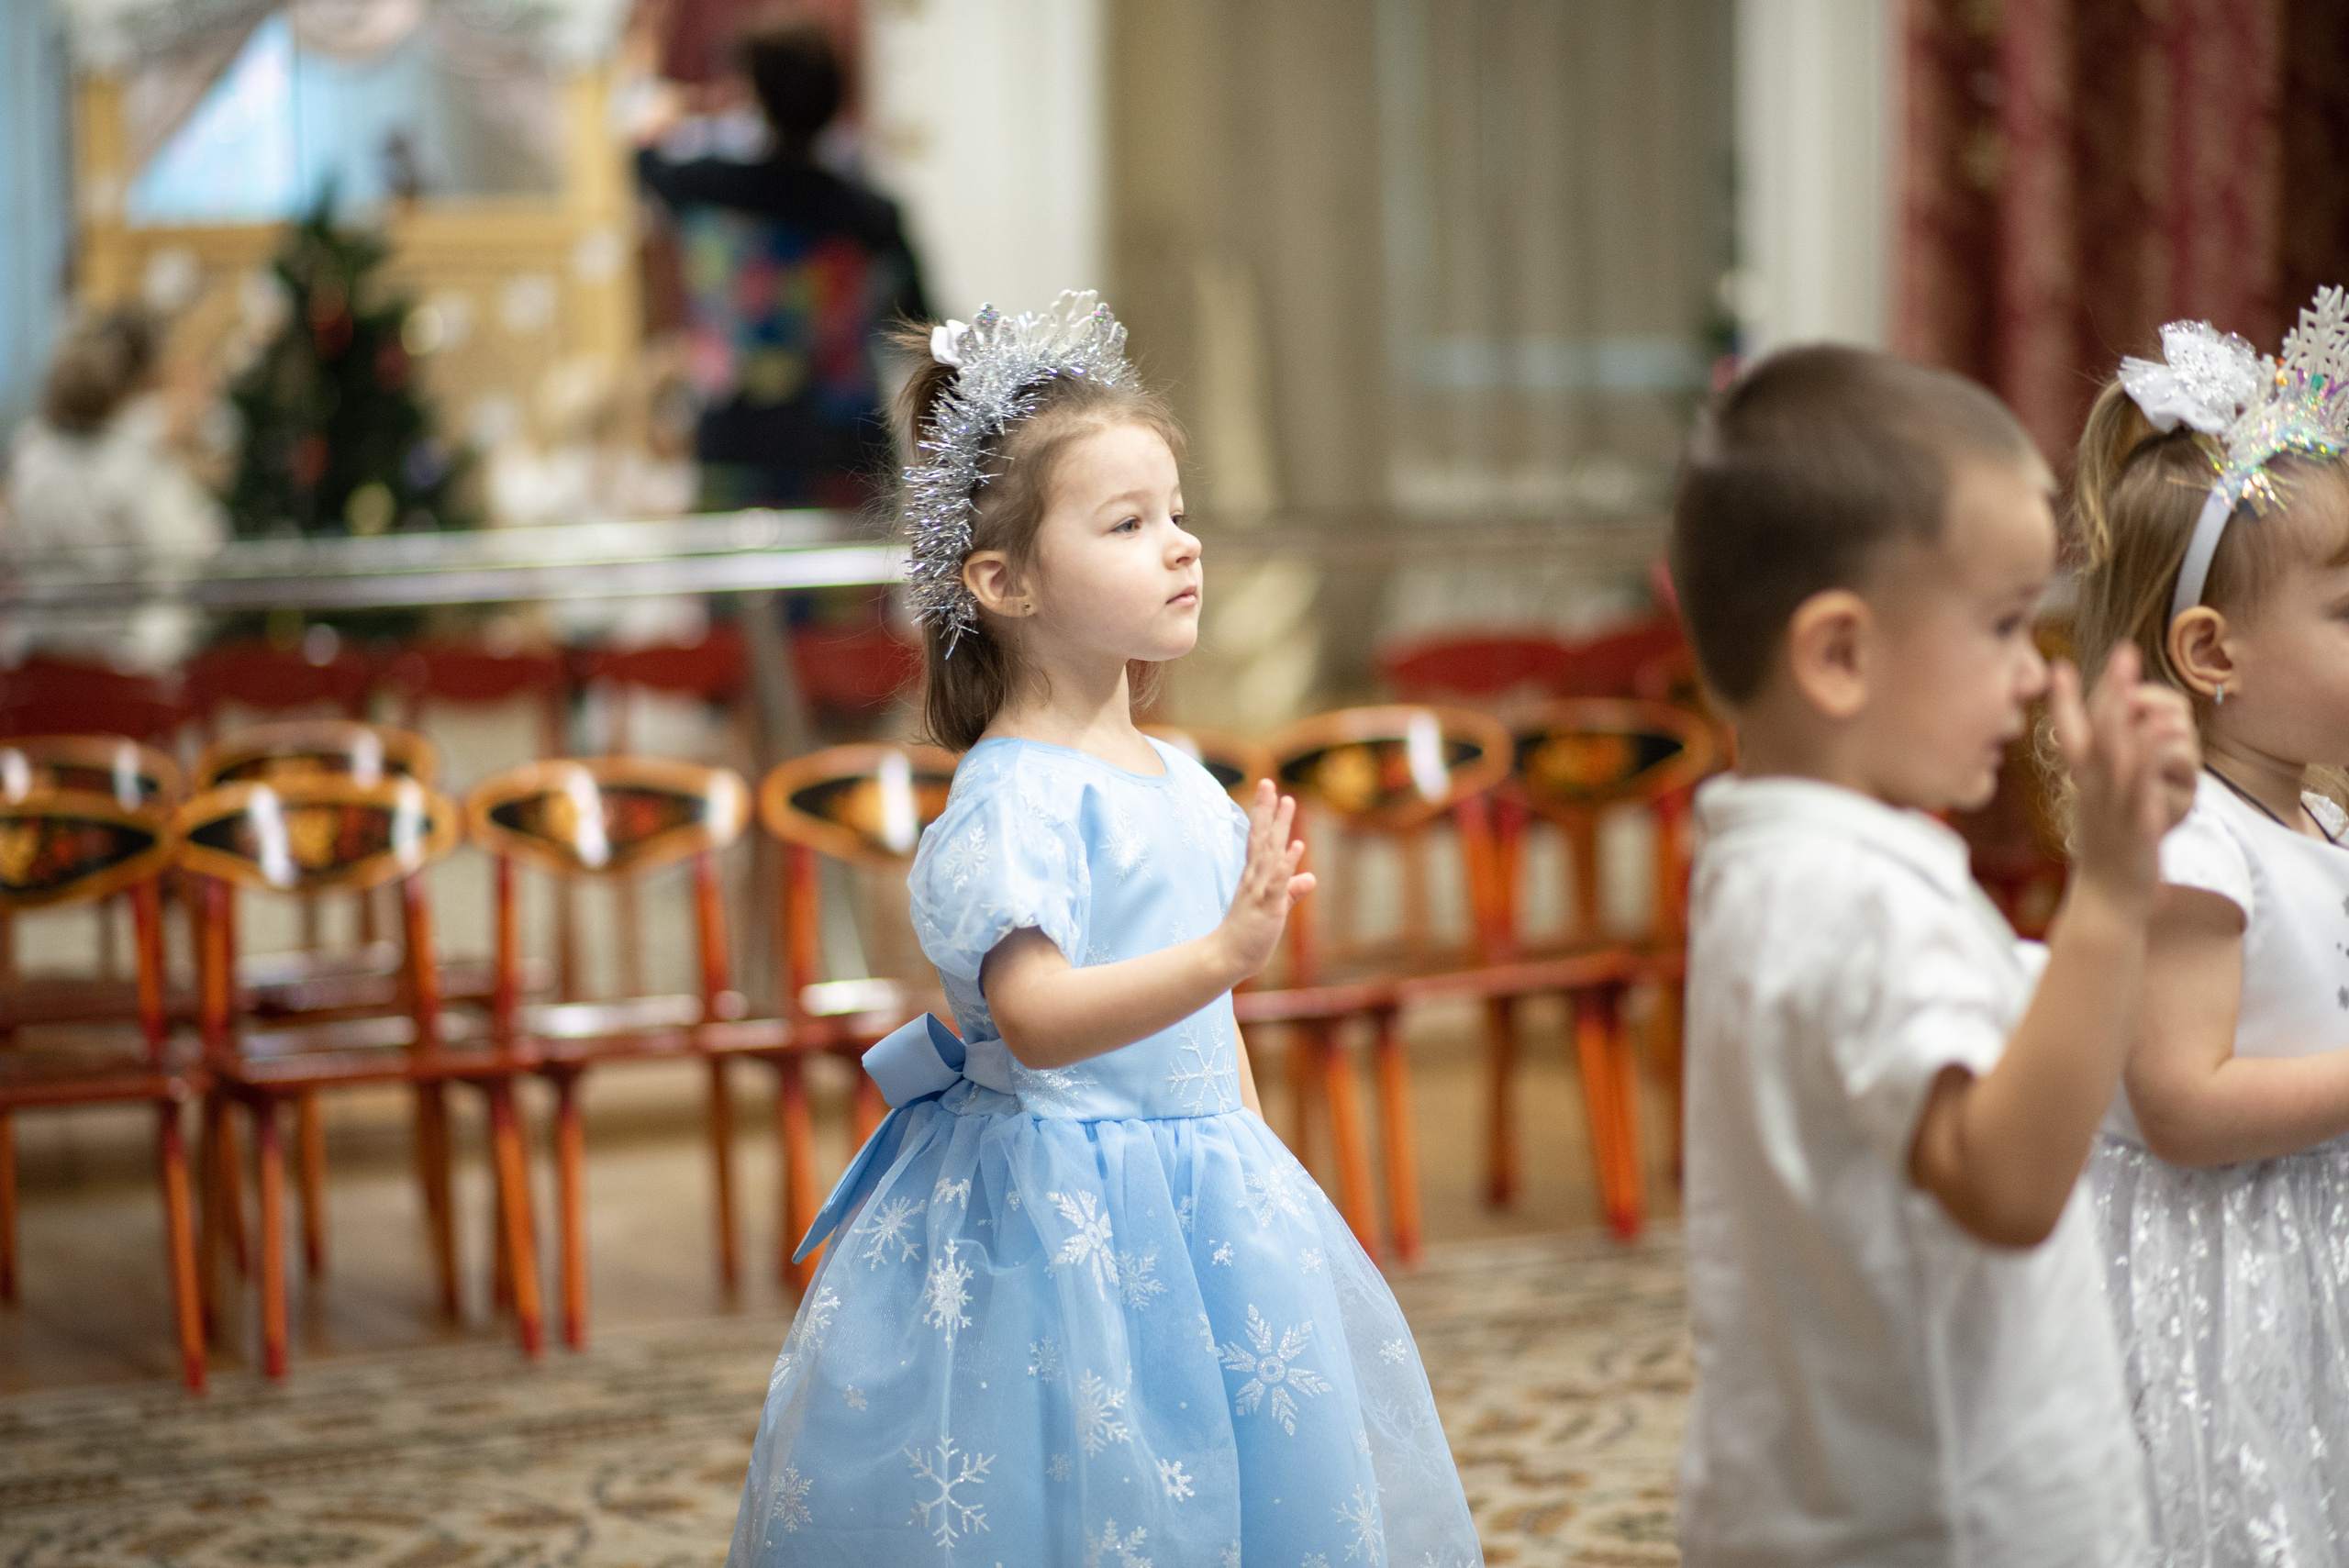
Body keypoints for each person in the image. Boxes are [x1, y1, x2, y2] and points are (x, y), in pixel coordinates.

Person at [727, 293, 1481, 1565]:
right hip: (1056, 1208)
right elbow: (1034, 1017)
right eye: (1128, 523)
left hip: (1207, 1194)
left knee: (1237, 1469)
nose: (1181, 546)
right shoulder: (1015, 793)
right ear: (1004, 581)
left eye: (1177, 512)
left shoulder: (1181, 776)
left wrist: (1257, 1162)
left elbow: (1210, 1026)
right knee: (1084, 1484)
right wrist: (1222, 953)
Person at [1668, 344, 2198, 1566]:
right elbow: (2005, 1183)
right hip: (1944, 1517)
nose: (2033, 672)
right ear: (1839, 656)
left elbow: (1989, 1009)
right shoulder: (1851, 901)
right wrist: (2110, 895)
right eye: (2004, 623)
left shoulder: (1782, 860)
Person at [2068, 292, 2349, 1561]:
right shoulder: (2193, 850)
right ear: (2211, 652)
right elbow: (2181, 1106)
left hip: (2311, 1238)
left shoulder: (2316, 819)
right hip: (2231, 1274)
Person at [635, 17, 930, 510]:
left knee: (729, 557)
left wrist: (663, 108)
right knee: (849, 558)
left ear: (753, 95)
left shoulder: (704, 187)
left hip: (734, 437)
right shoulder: (870, 214)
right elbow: (920, 322)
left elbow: (643, 158)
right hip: (843, 439)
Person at [2, 306, 225, 670]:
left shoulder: (31, 454)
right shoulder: (128, 462)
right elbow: (180, 555)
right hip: (96, 650)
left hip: (65, 647)